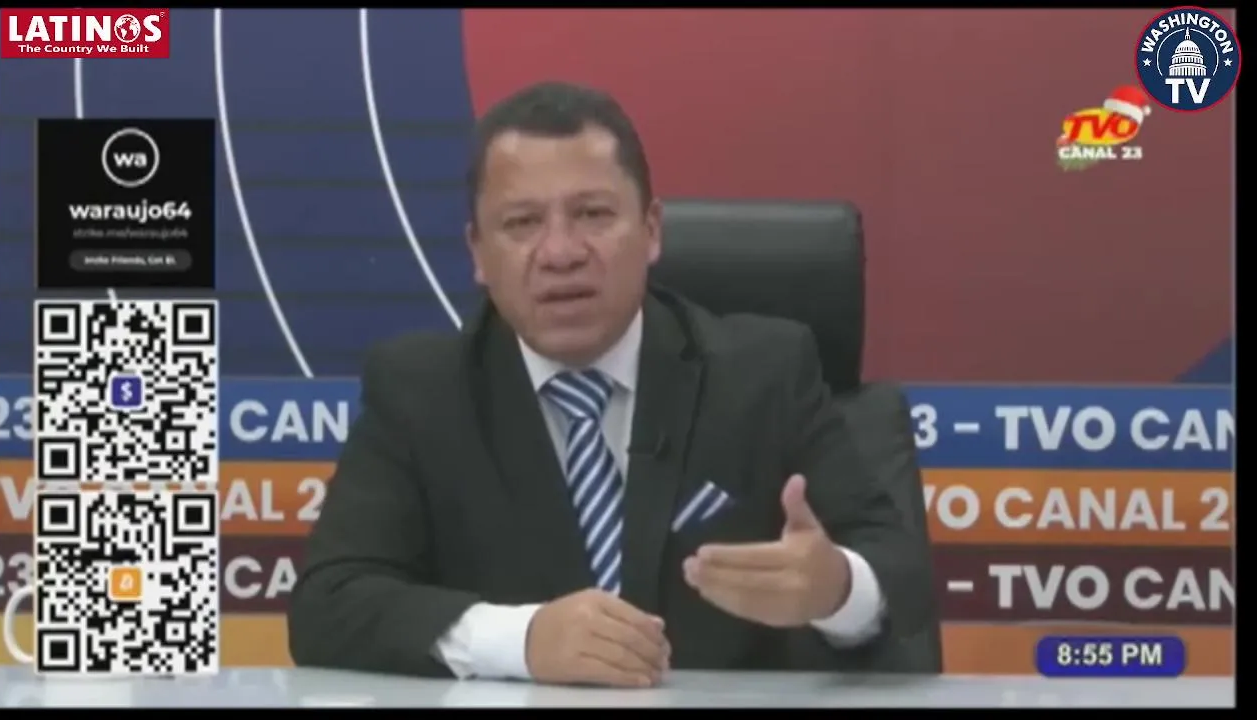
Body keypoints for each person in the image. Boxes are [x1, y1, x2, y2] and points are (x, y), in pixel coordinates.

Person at [288, 81, 937, 686]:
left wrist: (836, 589)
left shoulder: (765, 372)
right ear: (478, 253)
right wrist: (522, 638)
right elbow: (329, 605)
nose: (561, 252)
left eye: (593, 214)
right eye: (522, 223)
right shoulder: (420, 391)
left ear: (651, 231)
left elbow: (897, 572)